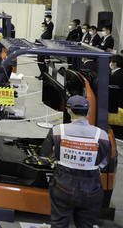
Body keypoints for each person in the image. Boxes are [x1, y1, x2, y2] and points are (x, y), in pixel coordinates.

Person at [40, 95, 110, 228]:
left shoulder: (57, 131)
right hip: (92, 189)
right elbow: (104, 162)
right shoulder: (102, 135)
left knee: (59, 224)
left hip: (63, 186)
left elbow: (46, 156)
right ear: (89, 111)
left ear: (69, 111)